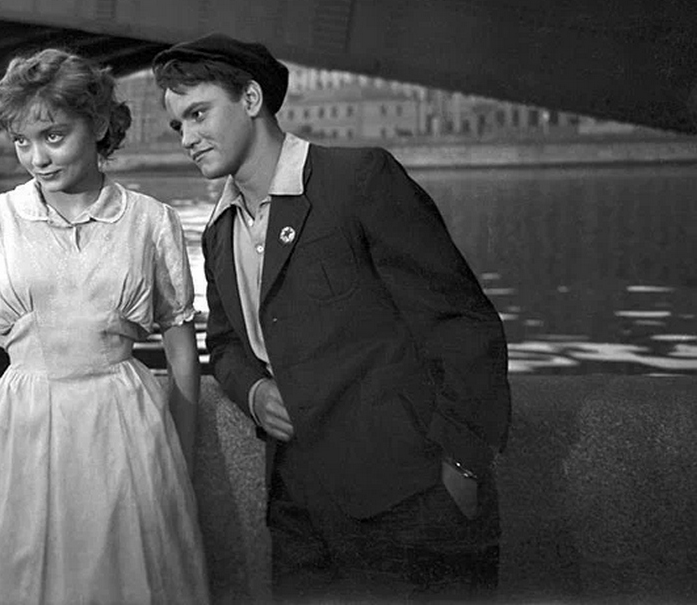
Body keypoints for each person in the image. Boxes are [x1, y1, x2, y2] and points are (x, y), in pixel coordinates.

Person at [154, 33, 511, 603]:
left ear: (251, 99)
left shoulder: (357, 179)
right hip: (299, 514)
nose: (187, 139)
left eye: (199, 114)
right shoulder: (219, 232)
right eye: (178, 125)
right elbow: (223, 344)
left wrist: (463, 468)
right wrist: (254, 393)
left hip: (411, 500)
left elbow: (462, 323)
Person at [0, 48, 210, 605]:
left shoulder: (151, 221)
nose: (37, 158)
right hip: (22, 431)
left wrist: (178, 461)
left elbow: (182, 353)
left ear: (97, 126)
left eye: (53, 136)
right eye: (22, 141)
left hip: (125, 428)